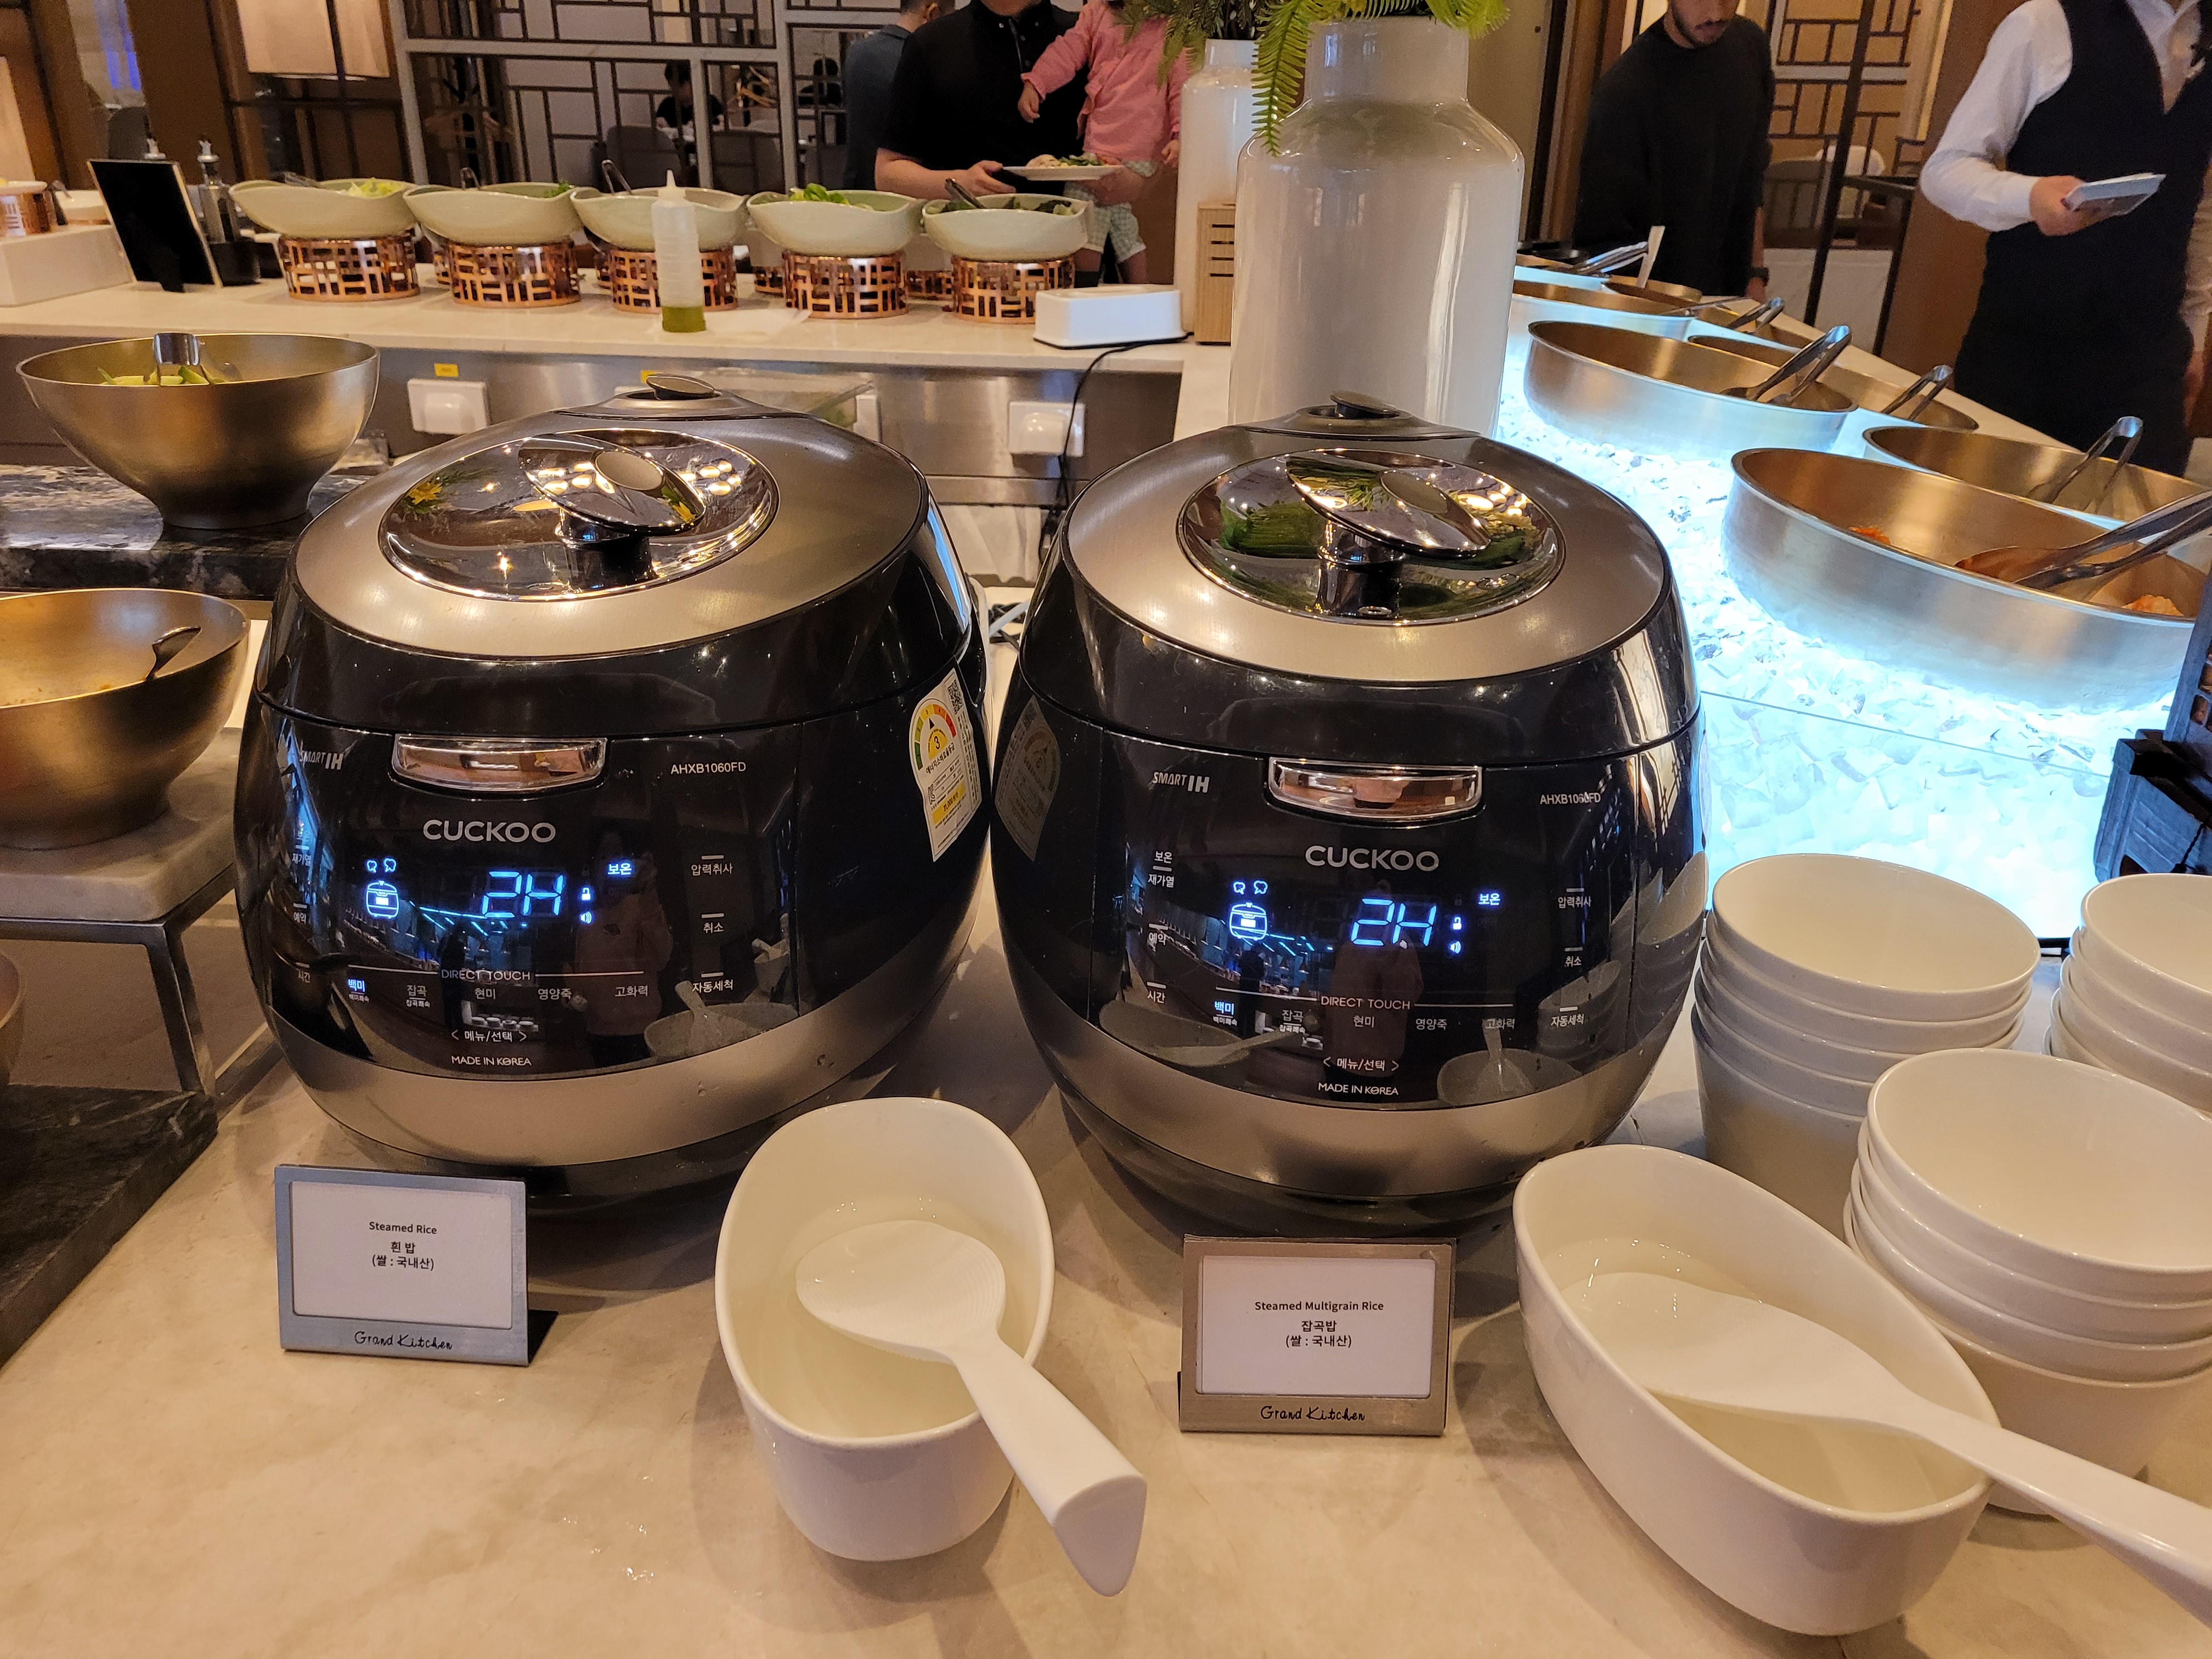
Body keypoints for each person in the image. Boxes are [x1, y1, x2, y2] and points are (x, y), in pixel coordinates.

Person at [1920, 0, 2212, 476]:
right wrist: (2029, 196)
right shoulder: (2045, 22)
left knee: (2133, 519)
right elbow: (1945, 170)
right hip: (2027, 346)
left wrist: (2195, 333)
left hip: (2150, 356)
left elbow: (2198, 203)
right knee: (1995, 510)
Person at [1572, 0, 1774, 300]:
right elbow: (1606, 244)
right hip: (1655, 303)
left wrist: (1756, 274)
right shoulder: (1625, 93)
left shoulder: (1750, 47)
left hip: (1732, 299)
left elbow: (1751, 174)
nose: (1716, 13)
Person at [1015, 0, 1190, 281]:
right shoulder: (1098, 12)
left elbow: (1183, 84)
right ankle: (1139, 291)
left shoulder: (1172, 25)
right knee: (1119, 222)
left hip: (1137, 147)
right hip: (1103, 141)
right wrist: (1037, 83)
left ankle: (1084, 288)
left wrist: (1181, 135)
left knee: (1081, 211)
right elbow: (1067, 50)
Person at [874, 0, 1090, 201]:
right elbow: (887, 173)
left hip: (1078, 223)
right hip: (967, 224)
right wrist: (959, 184)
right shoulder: (930, 42)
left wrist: (1112, 180)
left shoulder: (1087, 34)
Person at [842, 0, 943, 190]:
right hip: (902, 191)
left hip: (857, 188)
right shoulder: (922, 60)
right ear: (932, 13)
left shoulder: (857, 52)